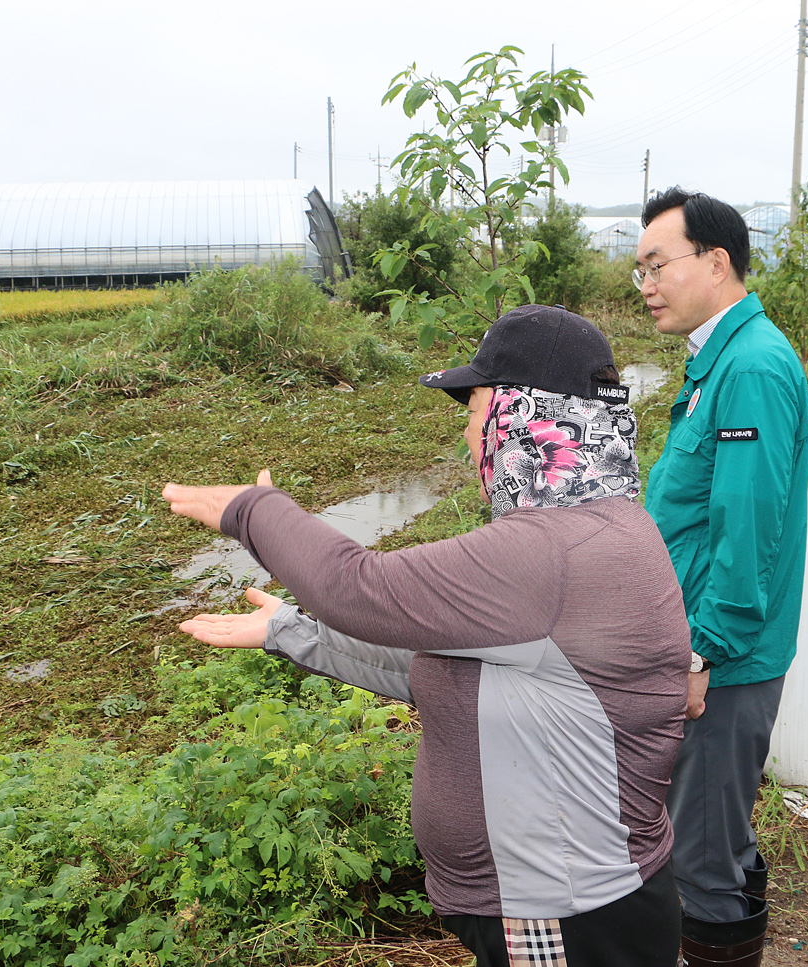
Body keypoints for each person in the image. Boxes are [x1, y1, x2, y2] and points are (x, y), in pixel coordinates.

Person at [163, 304, 691, 967]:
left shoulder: (553, 551)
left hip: (567, 914)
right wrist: (291, 631)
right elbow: (435, 667)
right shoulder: (596, 527)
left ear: (524, 414)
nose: (469, 435)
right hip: (566, 903)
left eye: (473, 408)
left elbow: (357, 588)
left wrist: (254, 511)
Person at [633, 188, 808, 967]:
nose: (645, 284)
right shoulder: (720, 361)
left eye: (656, 264)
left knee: (702, 857)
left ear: (716, 262)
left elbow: (748, 529)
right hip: (706, 649)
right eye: (637, 269)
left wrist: (705, 648)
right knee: (711, 840)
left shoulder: (751, 366)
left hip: (721, 662)